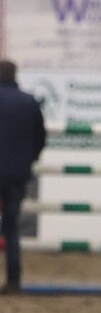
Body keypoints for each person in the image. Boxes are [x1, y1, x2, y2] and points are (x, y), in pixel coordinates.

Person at [0, 60, 46, 294]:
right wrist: (28, 160)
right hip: (17, 175)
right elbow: (40, 139)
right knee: (11, 229)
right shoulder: (29, 102)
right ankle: (13, 281)